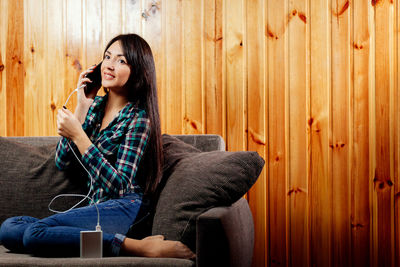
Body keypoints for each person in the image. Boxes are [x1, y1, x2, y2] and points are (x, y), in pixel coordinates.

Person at [0, 34, 195, 259]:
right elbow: (62, 161)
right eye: (107, 57)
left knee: (34, 235)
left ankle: (137, 246)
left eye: (121, 61)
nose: (110, 65)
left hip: (123, 206)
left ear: (139, 71)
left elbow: (120, 186)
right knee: (9, 228)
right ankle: (74, 239)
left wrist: (80, 136)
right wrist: (82, 106)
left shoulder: (139, 119)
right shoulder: (96, 107)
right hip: (95, 207)